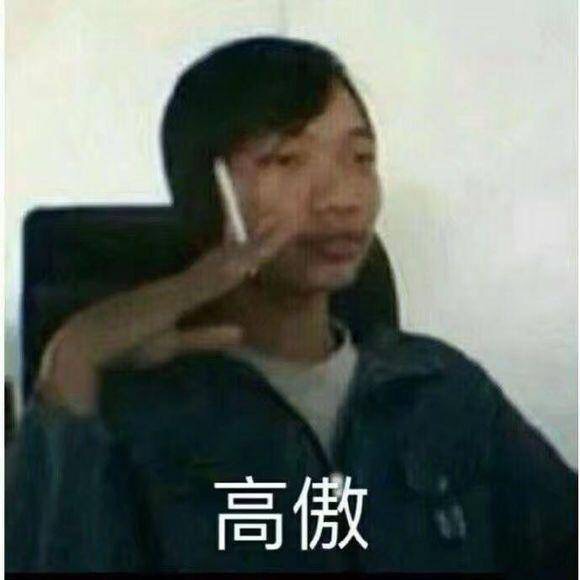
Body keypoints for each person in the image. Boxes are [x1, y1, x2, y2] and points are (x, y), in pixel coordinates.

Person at [6, 36, 577, 575]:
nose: (341, 199)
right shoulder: (133, 421)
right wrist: (74, 358)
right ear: (208, 188)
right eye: (286, 161)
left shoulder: (439, 388)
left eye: (360, 158)